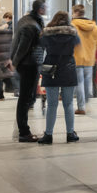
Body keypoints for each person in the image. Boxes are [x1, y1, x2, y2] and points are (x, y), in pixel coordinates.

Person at [38, 11, 79, 144]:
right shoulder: (73, 33)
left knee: (52, 104)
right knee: (68, 104)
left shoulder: (47, 33)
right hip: (68, 68)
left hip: (51, 69)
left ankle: (48, 135)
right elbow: (77, 44)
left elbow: (41, 44)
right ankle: (70, 133)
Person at [11, 0, 47, 142]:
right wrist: (14, 63)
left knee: (28, 97)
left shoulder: (26, 20)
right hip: (29, 64)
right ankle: (24, 132)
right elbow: (22, 47)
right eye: (45, 6)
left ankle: (23, 129)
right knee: (26, 98)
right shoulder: (31, 25)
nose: (47, 8)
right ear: (40, 9)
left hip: (29, 63)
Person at [71, 4, 97, 116]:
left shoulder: (73, 25)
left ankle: (81, 107)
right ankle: (87, 104)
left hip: (76, 58)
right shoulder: (94, 27)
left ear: (74, 12)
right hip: (90, 59)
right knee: (87, 84)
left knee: (79, 83)